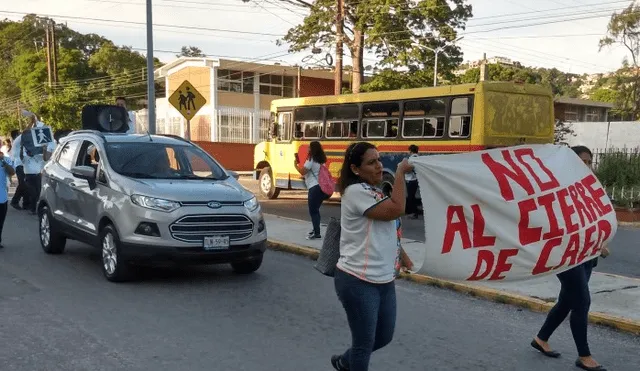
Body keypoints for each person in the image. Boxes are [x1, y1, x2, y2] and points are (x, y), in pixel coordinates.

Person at [331, 141, 414, 371]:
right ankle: (351, 361)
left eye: (379, 160)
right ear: (356, 169)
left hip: (384, 279)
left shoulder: (373, 190)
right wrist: (399, 172)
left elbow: (385, 228)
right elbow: (396, 209)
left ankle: (345, 362)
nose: (378, 166)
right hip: (358, 280)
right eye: (371, 162)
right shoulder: (355, 192)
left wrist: (403, 256)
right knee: (364, 343)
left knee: (384, 336)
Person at [531, 145, 611, 371]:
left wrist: (600, 242)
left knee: (567, 301)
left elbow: (595, 218)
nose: (586, 166)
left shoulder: (587, 187)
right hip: (564, 254)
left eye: (589, 162)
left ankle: (541, 339)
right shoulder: (556, 188)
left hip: (588, 254)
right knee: (582, 302)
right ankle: (584, 356)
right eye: (581, 161)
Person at [293, 141, 330, 240]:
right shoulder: (321, 160)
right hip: (321, 188)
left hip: (314, 188)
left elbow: (303, 171)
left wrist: (295, 165)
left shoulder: (311, 159)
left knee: (313, 211)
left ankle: (317, 233)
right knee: (316, 211)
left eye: (309, 147)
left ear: (313, 149)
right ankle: (315, 228)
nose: (308, 149)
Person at [10, 130, 29, 211]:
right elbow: (26, 132)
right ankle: (14, 201)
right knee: (23, 184)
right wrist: (32, 122)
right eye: (19, 133)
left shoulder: (20, 143)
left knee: (26, 184)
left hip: (23, 165)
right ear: (17, 135)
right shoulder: (17, 142)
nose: (21, 133)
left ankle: (26, 203)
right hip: (19, 165)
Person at [0, 150, 16, 248]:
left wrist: (3, 162)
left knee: (0, 222)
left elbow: (12, 172)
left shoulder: (5, 160)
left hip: (2, 197)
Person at [404, 144, 422, 219]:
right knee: (412, 197)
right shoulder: (419, 158)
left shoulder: (411, 159)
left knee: (411, 197)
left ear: (411, 151)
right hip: (416, 180)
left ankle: (414, 213)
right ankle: (414, 211)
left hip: (411, 180)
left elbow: (409, 170)